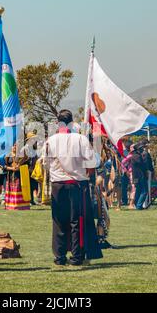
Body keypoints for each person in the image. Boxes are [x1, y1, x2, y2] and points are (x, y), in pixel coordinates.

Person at [43, 109, 103, 266]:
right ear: (71, 122)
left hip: (57, 185)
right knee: (77, 222)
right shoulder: (81, 139)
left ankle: (60, 257)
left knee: (59, 222)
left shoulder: (50, 141)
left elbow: (45, 165)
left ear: (58, 122)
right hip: (78, 185)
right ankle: (77, 256)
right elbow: (91, 164)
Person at [4, 144, 31, 211]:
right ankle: (11, 206)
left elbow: (28, 165)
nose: (15, 147)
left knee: (20, 189)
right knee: (12, 190)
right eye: (14, 146)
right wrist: (11, 168)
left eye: (17, 146)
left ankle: (22, 206)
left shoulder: (23, 156)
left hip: (20, 175)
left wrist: (19, 167)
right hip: (11, 176)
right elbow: (4, 166)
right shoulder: (8, 156)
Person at [131, 142, 149, 210]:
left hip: (136, 176)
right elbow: (142, 164)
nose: (142, 149)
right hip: (140, 176)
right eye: (141, 148)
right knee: (144, 191)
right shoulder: (137, 156)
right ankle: (138, 205)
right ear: (138, 149)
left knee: (138, 190)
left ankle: (137, 204)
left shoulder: (135, 155)